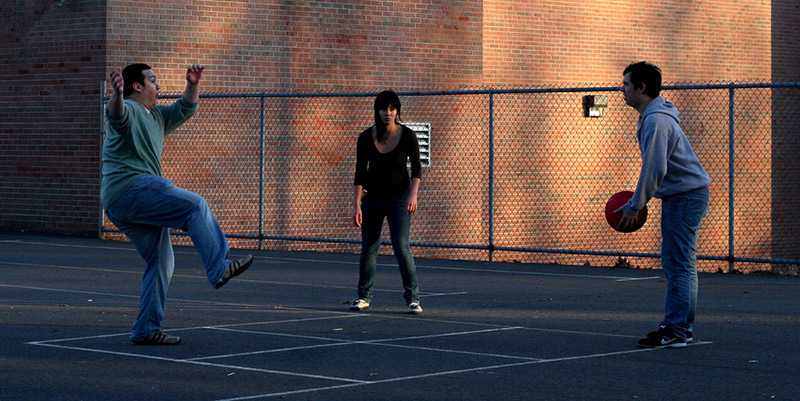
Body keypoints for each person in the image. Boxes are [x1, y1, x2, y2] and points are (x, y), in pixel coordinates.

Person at [102, 63, 253, 345]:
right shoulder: (132, 109)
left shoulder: (157, 116)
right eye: (153, 81)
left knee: (161, 261)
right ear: (138, 86)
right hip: (131, 189)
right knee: (194, 206)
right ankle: (219, 268)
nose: (158, 86)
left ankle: (146, 328)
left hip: (121, 202)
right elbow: (117, 115)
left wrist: (193, 83)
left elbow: (185, 108)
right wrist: (117, 94)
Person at [616, 61, 710, 348]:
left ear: (641, 88)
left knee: (678, 264)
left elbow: (654, 169)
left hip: (685, 196)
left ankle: (675, 330)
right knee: (684, 264)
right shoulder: (655, 117)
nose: (622, 90)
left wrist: (634, 205)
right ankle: (682, 327)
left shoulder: (657, 121)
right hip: (687, 194)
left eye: (626, 85)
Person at [350, 90, 423, 314]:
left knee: (401, 246)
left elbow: (417, 168)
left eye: (392, 109)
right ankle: (363, 297)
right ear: (377, 111)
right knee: (369, 249)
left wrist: (413, 194)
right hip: (372, 199)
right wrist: (356, 204)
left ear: (397, 111)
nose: (388, 113)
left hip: (399, 199)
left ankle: (413, 298)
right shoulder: (365, 138)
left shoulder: (408, 135)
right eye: (383, 109)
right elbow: (360, 173)